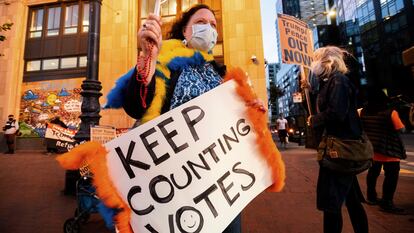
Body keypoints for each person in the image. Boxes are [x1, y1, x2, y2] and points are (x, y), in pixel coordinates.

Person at [104, 4, 267, 232]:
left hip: (221, 185)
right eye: (201, 23)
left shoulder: (221, 74)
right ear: (184, 31)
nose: (209, 28)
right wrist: (147, 57)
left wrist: (252, 112)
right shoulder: (166, 63)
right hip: (177, 184)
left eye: (213, 25)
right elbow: (136, 107)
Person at [307, 46, 368, 233]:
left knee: (332, 205)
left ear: (328, 62)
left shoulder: (338, 81)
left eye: (316, 59)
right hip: (340, 150)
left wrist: (314, 119)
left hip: (339, 152)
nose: (313, 63)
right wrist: (309, 91)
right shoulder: (331, 82)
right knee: (351, 201)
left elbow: (336, 113)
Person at [360, 88, 406, 214]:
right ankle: (387, 202)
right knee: (391, 176)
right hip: (390, 150)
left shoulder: (362, 112)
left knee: (373, 173)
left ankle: (371, 197)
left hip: (373, 150)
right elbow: (401, 129)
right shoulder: (390, 112)